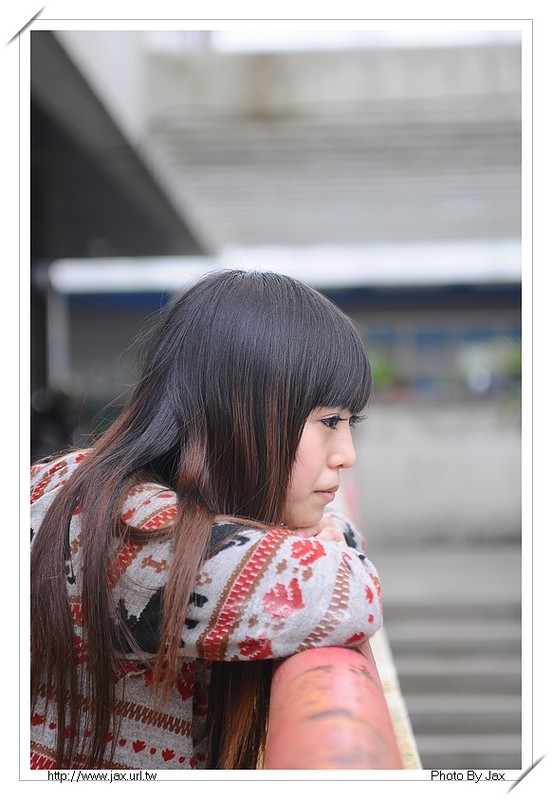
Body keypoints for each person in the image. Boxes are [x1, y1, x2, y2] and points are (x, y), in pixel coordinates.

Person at [30, 269, 383, 771]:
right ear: (238, 408)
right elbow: (343, 592)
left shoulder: (80, 482)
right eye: (329, 421)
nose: (346, 454)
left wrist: (322, 538)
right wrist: (327, 546)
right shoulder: (124, 528)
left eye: (350, 423)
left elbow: (331, 547)